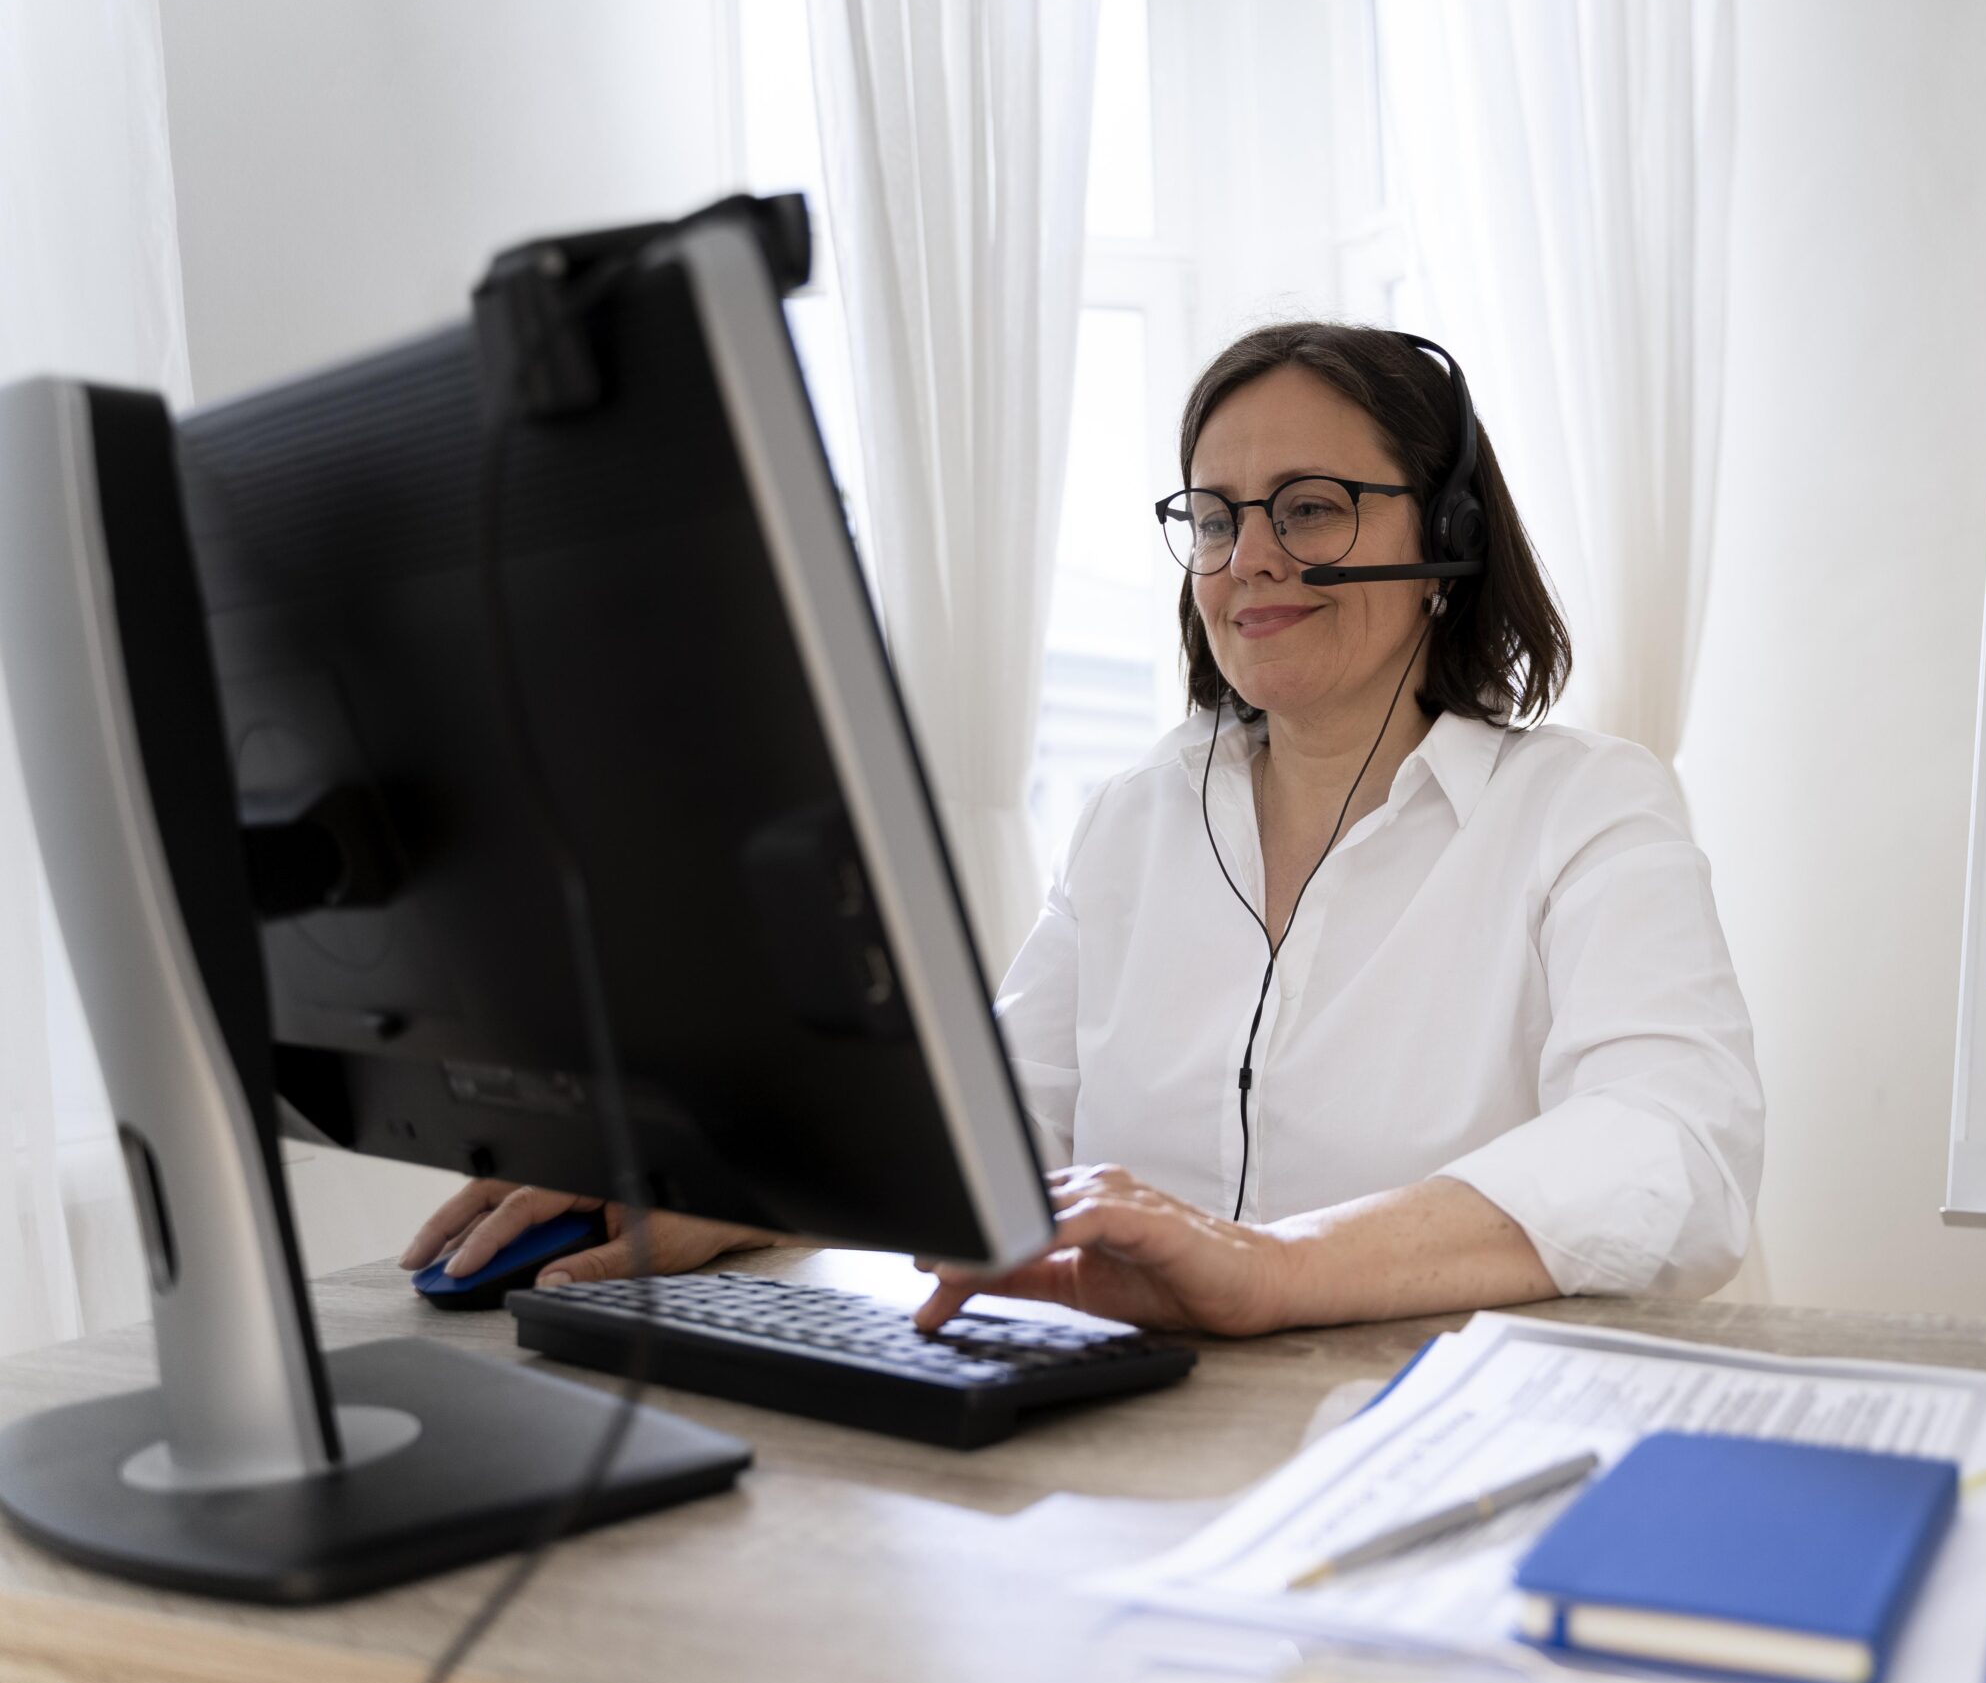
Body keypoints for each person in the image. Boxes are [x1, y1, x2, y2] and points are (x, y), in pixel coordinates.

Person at [402, 322, 1763, 1338]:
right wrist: (748, 1186)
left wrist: (1274, 1269)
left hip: (1451, 1452)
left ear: (1447, 540)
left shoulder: (1588, 806)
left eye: (1311, 507)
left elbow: (1675, 1151)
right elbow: (994, 1112)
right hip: (1143, 1454)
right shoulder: (1133, 823)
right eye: (1217, 517)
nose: (1252, 560)